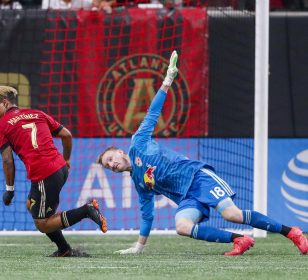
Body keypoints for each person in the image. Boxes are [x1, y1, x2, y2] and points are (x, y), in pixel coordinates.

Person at [96, 51, 308, 256]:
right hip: (187, 198)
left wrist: (167, 80)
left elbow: (153, 112)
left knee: (231, 214)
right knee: (182, 226)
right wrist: (139, 247)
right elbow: (147, 215)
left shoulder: (138, 142)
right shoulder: (139, 182)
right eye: (108, 166)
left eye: (111, 158)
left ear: (120, 152)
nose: (112, 164)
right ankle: (238, 239)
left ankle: (292, 232)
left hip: (198, 177)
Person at [0, 86, 107, 257]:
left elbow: (8, 160)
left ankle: (86, 211)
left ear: (5, 103)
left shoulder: (1, 126)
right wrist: (66, 159)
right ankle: (64, 249)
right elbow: (66, 135)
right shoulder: (37, 113)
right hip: (59, 167)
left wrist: (9, 190)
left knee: (43, 223)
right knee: (31, 205)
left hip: (44, 174)